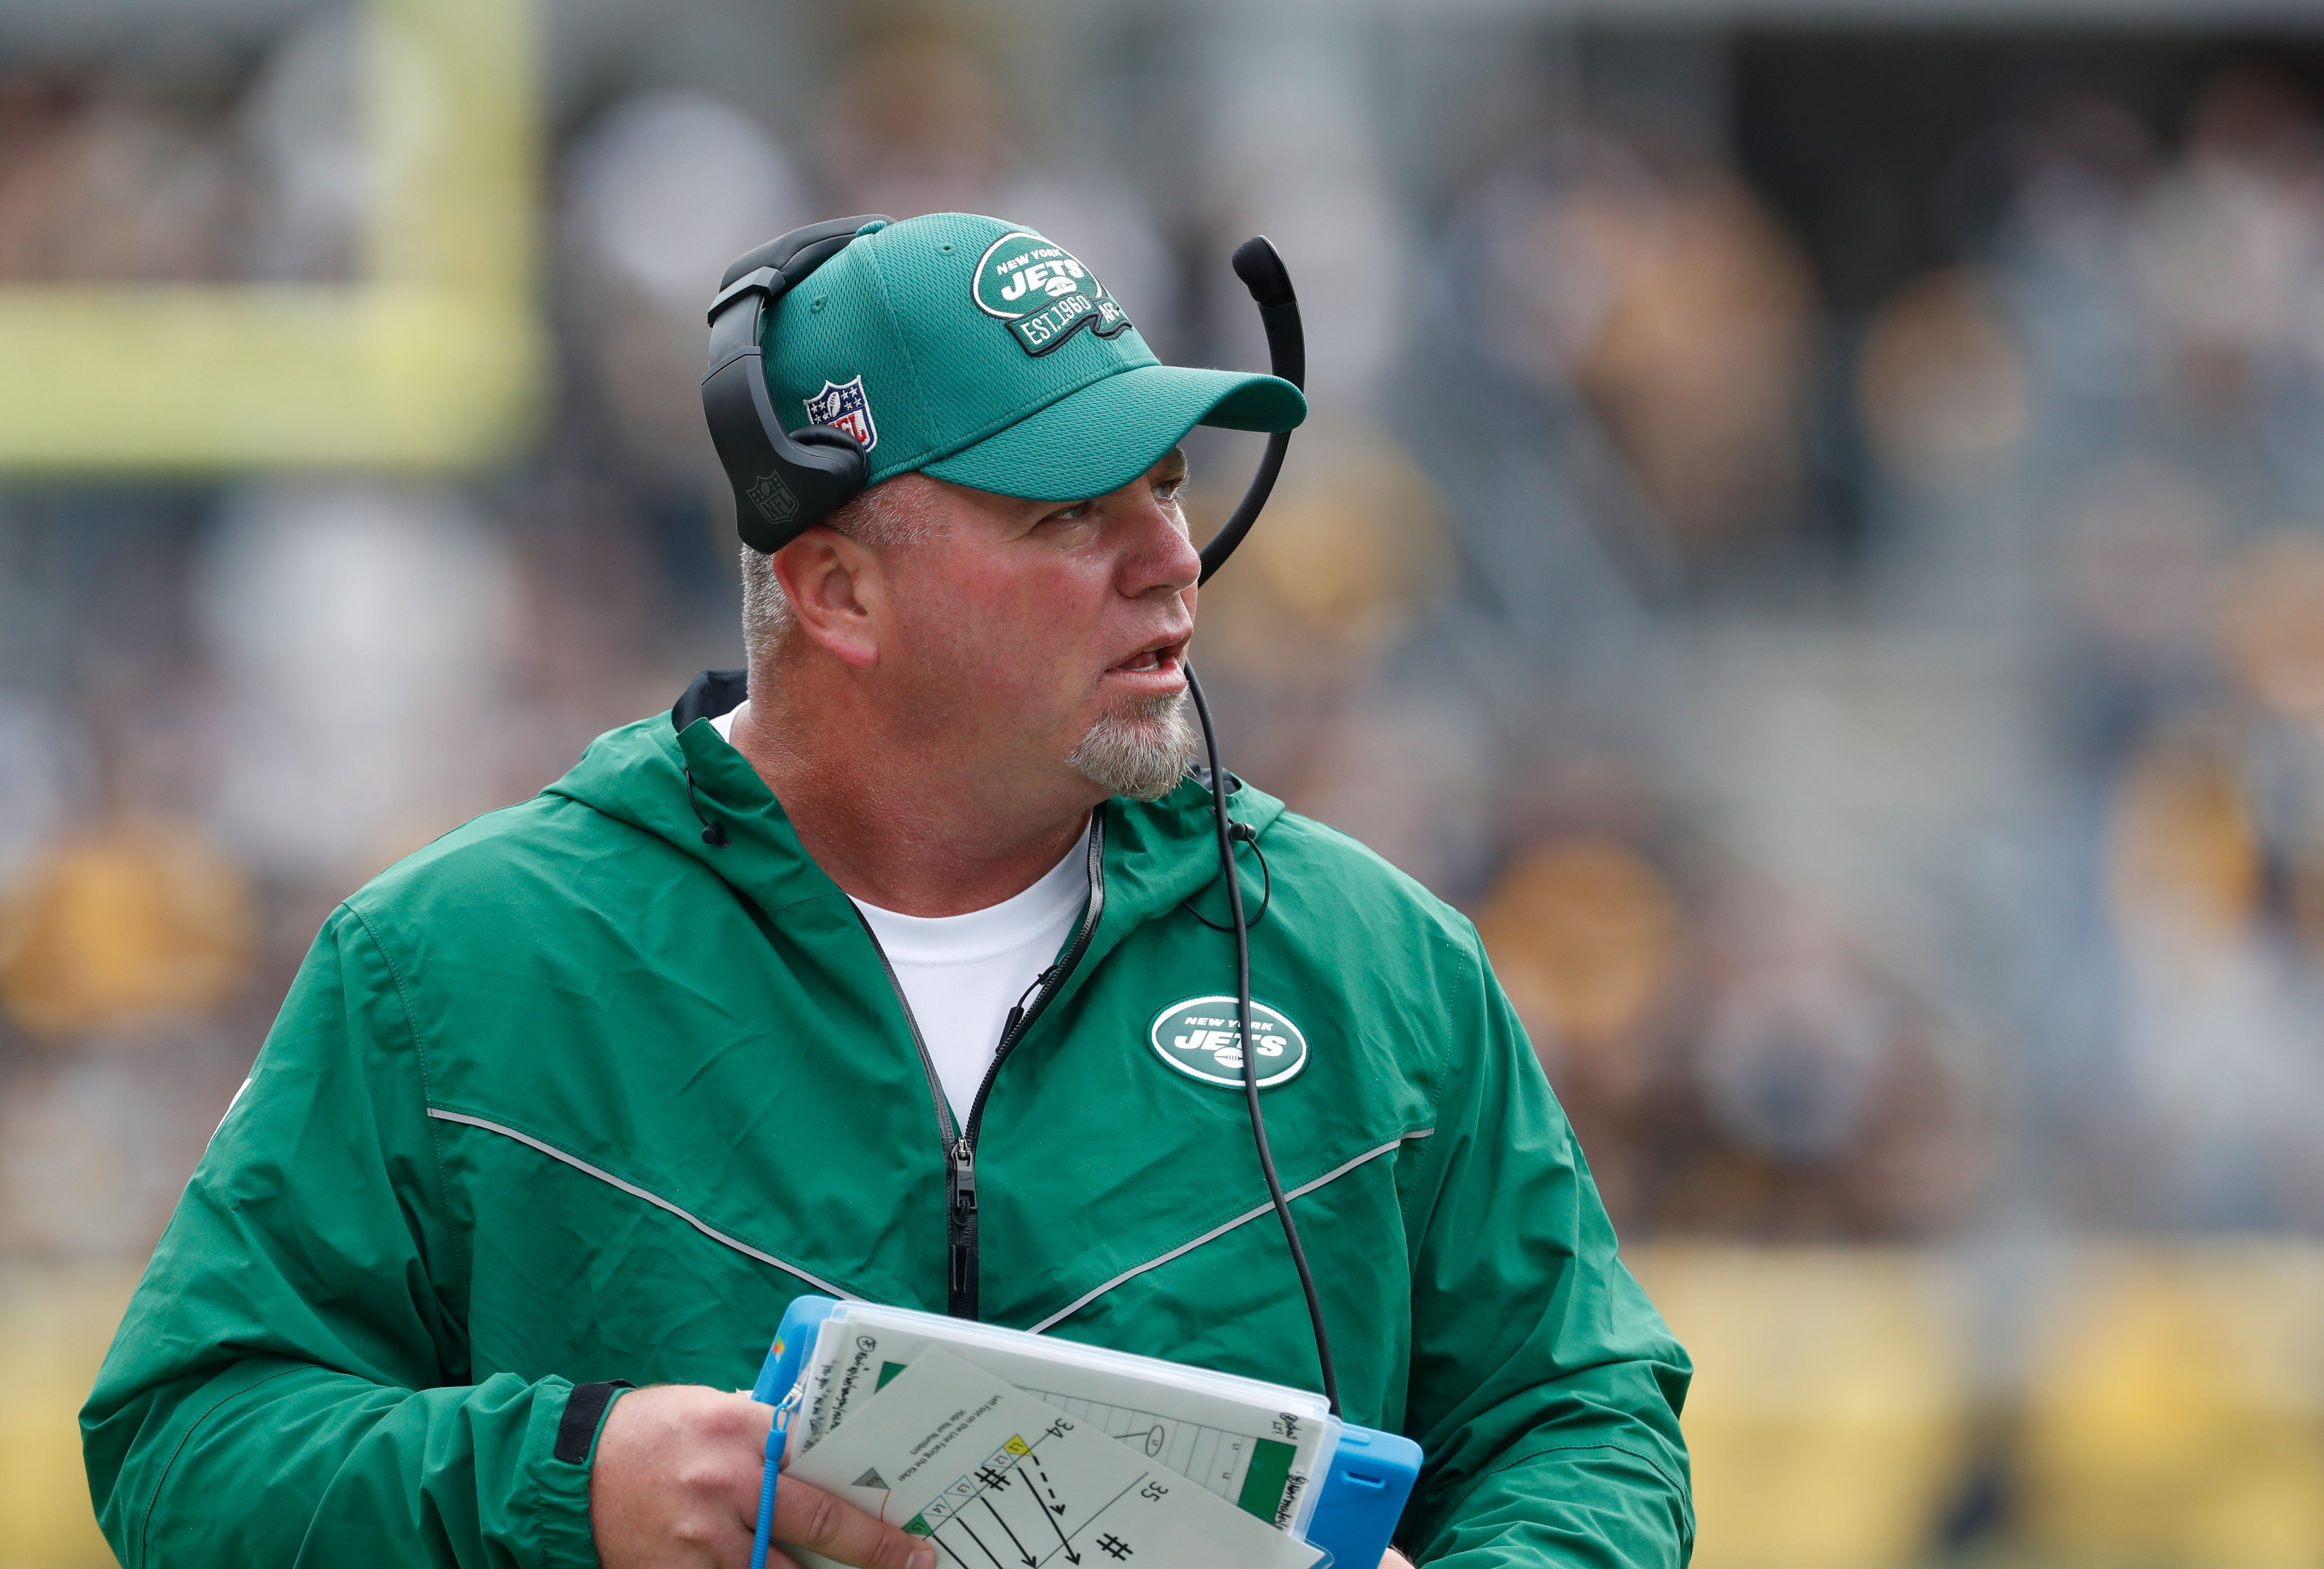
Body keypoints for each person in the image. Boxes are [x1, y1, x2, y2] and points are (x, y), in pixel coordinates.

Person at [82, 212, 1694, 1569]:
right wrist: (576, 1483)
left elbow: (1585, 1423)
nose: (1172, 561)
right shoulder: (453, 967)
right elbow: (184, 1451)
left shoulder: (1378, 966)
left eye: (1171, 487)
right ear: (836, 588)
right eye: (1071, 510)